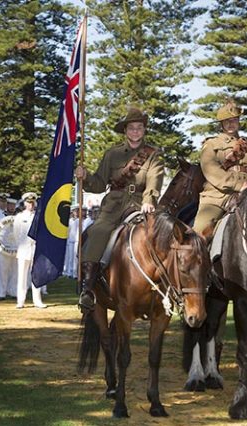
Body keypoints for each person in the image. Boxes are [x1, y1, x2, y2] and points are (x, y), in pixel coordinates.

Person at [74, 106, 164, 311]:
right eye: (131, 128)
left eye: (139, 128)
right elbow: (98, 183)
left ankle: (167, 287)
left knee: (162, 236)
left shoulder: (153, 155)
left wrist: (149, 200)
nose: (135, 131)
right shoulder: (112, 154)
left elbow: (154, 180)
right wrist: (85, 176)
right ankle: (88, 288)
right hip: (113, 205)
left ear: (144, 130)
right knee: (98, 231)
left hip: (141, 204)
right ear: (125, 130)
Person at [193, 101, 247, 236]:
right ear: (221, 123)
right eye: (226, 121)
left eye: (234, 120)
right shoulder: (211, 144)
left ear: (239, 121)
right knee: (199, 234)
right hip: (218, 196)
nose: (230, 124)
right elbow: (211, 170)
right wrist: (239, 184)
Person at [13, 193, 46, 309]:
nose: (30, 205)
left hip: (35, 249)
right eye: (28, 202)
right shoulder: (19, 217)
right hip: (23, 249)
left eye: (32, 203)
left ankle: (37, 300)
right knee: (22, 276)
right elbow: (16, 234)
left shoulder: (39, 217)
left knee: (36, 276)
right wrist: (21, 245)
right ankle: (20, 301)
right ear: (24, 203)